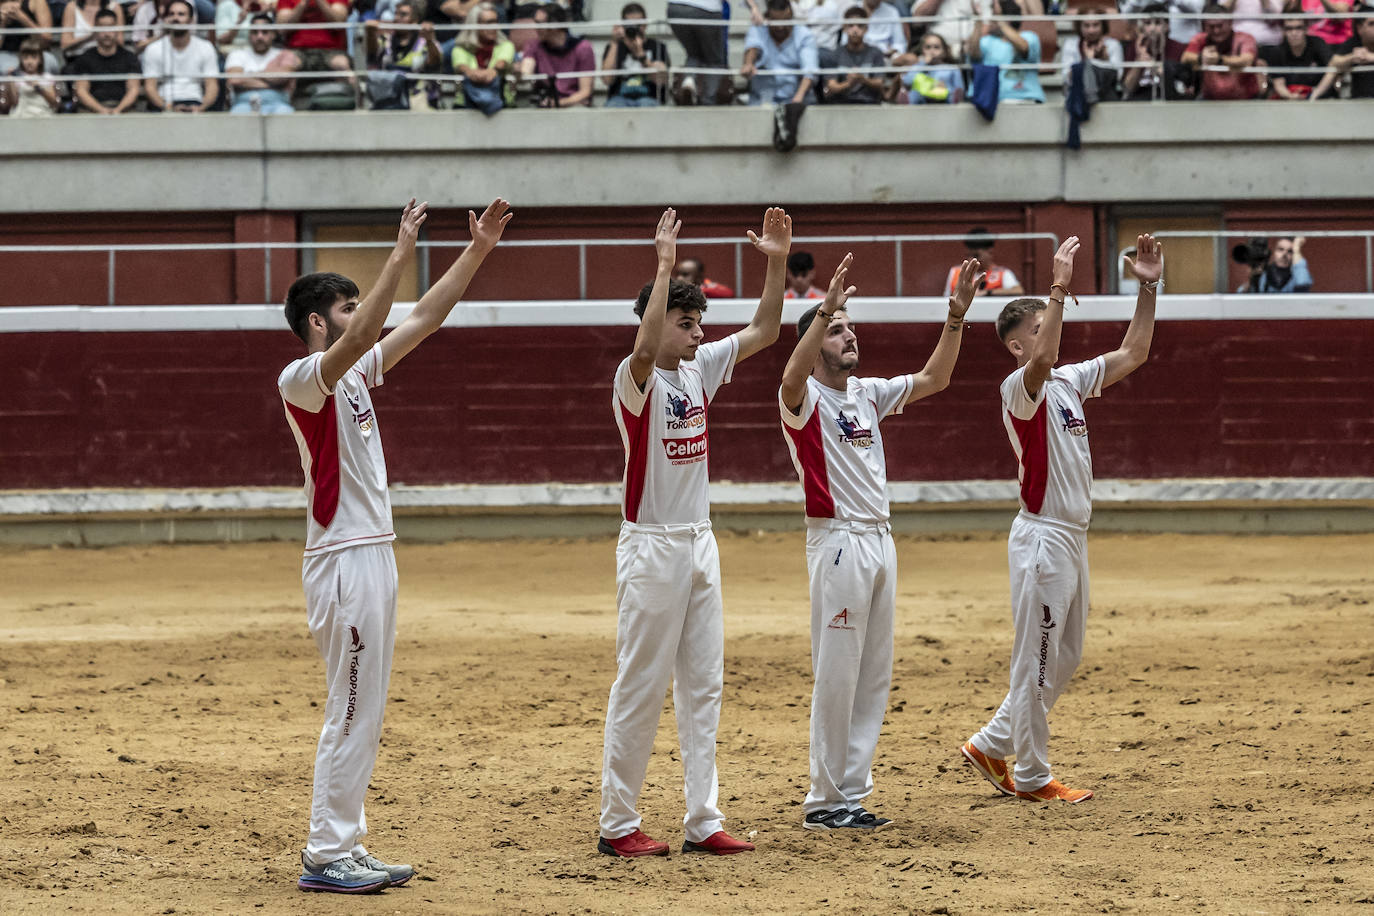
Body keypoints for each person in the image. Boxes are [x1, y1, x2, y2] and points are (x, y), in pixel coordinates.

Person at [279, 196, 513, 893]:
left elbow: (424, 318)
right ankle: (326, 853)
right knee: (350, 706)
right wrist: (400, 249)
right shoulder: (303, 378)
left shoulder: (350, 376)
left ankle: (344, 842)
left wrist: (477, 251)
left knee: (364, 705)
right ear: (319, 322)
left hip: (370, 550)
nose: (362, 320)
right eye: (348, 309)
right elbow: (368, 332)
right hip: (344, 559)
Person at [599, 207, 792, 859]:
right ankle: (617, 823)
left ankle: (702, 818)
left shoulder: (701, 367)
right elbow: (647, 345)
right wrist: (661, 263)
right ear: (659, 325)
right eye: (686, 322)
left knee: (703, 683)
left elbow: (766, 328)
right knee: (641, 684)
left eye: (698, 321)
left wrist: (775, 259)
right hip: (652, 544)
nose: (698, 331)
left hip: (698, 540)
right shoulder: (637, 379)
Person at [779, 253, 982, 831]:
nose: (849, 336)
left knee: (872, 674)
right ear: (816, 341)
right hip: (838, 541)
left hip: (880, 540)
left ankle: (851, 794)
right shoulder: (802, 400)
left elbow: (935, 379)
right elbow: (790, 377)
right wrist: (823, 310)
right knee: (838, 672)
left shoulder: (867, 393)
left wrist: (956, 318)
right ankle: (824, 799)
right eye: (836, 330)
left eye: (848, 326)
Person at [960, 233, 1164, 805]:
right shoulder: (1020, 387)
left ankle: (993, 742)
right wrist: (1056, 286)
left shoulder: (1070, 383)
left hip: (1070, 537)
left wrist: (1148, 286)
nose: (1054, 331)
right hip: (1044, 536)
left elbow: (1134, 353)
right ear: (1017, 347)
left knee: (1063, 655)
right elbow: (1046, 355)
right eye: (1040, 327)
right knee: (1038, 657)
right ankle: (1030, 775)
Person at [140, 0, 221, 112]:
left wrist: (201, 108)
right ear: (166, 19)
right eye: (171, 14)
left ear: (191, 20)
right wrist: (167, 107)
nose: (175, 18)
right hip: (162, 102)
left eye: (181, 14)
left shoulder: (205, 47)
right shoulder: (154, 49)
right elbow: (149, 87)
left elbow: (212, 85)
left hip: (195, 101)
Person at [362, 2, 440, 109]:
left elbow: (434, 63)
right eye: (396, 14)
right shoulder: (384, 39)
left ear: (415, 21)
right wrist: (370, 33)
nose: (397, 18)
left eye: (403, 15)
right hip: (387, 98)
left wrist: (429, 40)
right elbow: (371, 53)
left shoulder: (426, 43)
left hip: (418, 98)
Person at [742, 0, 820, 106]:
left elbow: (809, 71)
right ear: (767, 18)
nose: (780, 27)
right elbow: (753, 47)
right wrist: (748, 63)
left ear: (791, 18)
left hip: (795, 98)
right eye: (775, 21)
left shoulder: (804, 35)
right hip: (763, 98)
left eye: (784, 21)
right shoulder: (758, 29)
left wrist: (798, 98)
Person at [968, 0, 1045, 104]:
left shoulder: (1030, 37)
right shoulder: (988, 41)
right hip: (993, 103)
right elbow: (973, 53)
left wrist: (999, 20)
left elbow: (1023, 46)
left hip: (1026, 99)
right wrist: (978, 20)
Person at [517, 4, 595, 107]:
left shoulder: (583, 47)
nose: (535, 28)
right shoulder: (534, 45)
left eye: (540, 24)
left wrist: (558, 103)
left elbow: (585, 92)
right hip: (545, 102)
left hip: (573, 104)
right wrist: (518, 72)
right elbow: (526, 72)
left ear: (555, 25)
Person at [1180, 4, 1260, 99]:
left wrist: (1220, 60)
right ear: (1204, 26)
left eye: (1220, 26)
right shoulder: (1201, 38)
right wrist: (1201, 58)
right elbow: (1185, 58)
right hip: (1209, 99)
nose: (1216, 31)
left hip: (1245, 99)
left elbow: (1247, 60)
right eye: (1211, 27)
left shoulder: (1245, 38)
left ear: (1230, 23)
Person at [71, 7, 143, 114]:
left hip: (124, 110)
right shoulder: (85, 58)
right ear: (95, 29)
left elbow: (133, 89)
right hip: (92, 111)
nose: (106, 33)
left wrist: (118, 110)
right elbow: (81, 91)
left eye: (110, 27)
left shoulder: (129, 57)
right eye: (102, 27)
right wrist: (101, 110)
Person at [226, 12, 299, 112]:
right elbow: (235, 80)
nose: (259, 37)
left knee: (285, 112)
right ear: (249, 35)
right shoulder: (237, 54)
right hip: (243, 103)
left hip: (278, 103)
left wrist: (250, 75)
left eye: (265, 32)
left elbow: (284, 76)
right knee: (237, 113)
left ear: (273, 34)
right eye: (255, 32)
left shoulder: (285, 54)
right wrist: (273, 83)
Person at [451, 1, 514, 114]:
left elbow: (500, 65)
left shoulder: (506, 45)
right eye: (489, 23)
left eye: (496, 22)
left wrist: (490, 72)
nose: (494, 27)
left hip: (501, 105)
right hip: (465, 106)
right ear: (475, 24)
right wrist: (473, 73)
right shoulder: (460, 49)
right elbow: (464, 68)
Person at [601, 2, 669, 107]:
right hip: (618, 98)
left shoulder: (658, 46)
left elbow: (661, 80)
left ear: (645, 24)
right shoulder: (614, 47)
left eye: (638, 24)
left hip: (650, 97)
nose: (635, 29)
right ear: (623, 25)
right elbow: (607, 80)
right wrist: (614, 43)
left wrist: (641, 55)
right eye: (630, 24)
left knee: (646, 105)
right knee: (613, 106)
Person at [1121, 3, 1190, 100]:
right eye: (1148, 23)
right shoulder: (1134, 47)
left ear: (1167, 26)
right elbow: (1128, 87)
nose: (1152, 29)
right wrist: (1139, 61)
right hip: (1141, 98)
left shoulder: (1179, 48)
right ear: (1142, 27)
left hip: (1170, 98)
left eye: (1158, 23)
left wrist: (1155, 68)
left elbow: (1182, 87)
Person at [274, 0, 352, 87]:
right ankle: (283, 100)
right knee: (286, 67)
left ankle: (356, 99)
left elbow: (339, 22)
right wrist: (303, 4)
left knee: (343, 66)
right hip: (298, 51)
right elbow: (281, 29)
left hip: (332, 51)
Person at [666, 0, 727, 104]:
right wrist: (754, 9)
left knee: (693, 54)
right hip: (707, 9)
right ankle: (709, 98)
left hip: (675, 8)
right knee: (715, 60)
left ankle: (689, 81)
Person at [824, 5, 889, 103]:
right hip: (841, 106)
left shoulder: (876, 53)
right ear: (844, 28)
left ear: (866, 29)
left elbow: (880, 83)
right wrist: (849, 83)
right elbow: (832, 86)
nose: (855, 30)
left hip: (869, 105)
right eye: (851, 26)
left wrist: (862, 79)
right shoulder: (835, 54)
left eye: (860, 26)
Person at [1261, 18, 1337, 99]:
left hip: (1319, 98)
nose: (1294, 33)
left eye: (1298, 28)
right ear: (1284, 31)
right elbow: (1279, 83)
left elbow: (1332, 69)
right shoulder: (1277, 51)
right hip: (1289, 100)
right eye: (1289, 29)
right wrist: (1290, 97)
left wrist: (1314, 95)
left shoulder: (1318, 44)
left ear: (1306, 29)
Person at [1060, 8, 1124, 97]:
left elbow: (1118, 76)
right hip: (1079, 95)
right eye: (1086, 25)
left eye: (1096, 25)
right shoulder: (1070, 44)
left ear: (1103, 26)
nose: (1091, 31)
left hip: (1106, 94)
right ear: (1079, 26)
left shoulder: (1113, 44)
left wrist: (1105, 60)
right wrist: (1087, 61)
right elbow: (1067, 78)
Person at [944, 227, 1024, 297]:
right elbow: (946, 298)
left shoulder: (1002, 273)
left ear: (990, 253)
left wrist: (986, 293)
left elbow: (1018, 291)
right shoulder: (956, 271)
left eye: (976, 255)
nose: (971, 260)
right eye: (968, 255)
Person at [1234, 236, 1313, 292]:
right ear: (1274, 252)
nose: (1284, 254)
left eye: (1290, 251)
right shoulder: (1264, 275)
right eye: (1280, 249)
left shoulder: (1296, 275)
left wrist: (1296, 249)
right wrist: (1252, 280)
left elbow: (1303, 283)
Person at [904, 31, 964, 103]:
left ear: (944, 51)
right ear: (922, 50)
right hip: (923, 100)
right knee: (915, 92)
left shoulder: (952, 68)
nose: (932, 51)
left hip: (943, 99)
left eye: (936, 47)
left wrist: (947, 88)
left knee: (951, 95)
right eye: (928, 47)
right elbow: (907, 81)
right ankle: (906, 100)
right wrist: (923, 64)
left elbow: (959, 89)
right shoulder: (919, 66)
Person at [2, 36, 57, 115]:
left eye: (34, 58)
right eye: (25, 58)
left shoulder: (47, 77)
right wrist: (11, 80)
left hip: (42, 114)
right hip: (22, 114)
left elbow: (53, 102)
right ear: (21, 59)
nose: (29, 62)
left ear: (40, 60)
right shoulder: (17, 78)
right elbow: (14, 102)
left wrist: (38, 88)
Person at [911, 0, 979, 59]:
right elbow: (918, 20)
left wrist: (974, 44)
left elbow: (985, 18)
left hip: (970, 50)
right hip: (938, 52)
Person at [1331, 6, 1374, 98]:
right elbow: (1334, 63)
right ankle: (1313, 98)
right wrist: (1352, 57)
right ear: (1359, 28)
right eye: (1371, 24)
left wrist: (1371, 57)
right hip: (1359, 102)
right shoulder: (1354, 42)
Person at [0, 0, 52, 74]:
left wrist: (22, 17)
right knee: (9, 69)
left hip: (35, 52)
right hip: (7, 54)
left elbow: (46, 41)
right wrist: (2, 24)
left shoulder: (37, 2)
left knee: (49, 61)